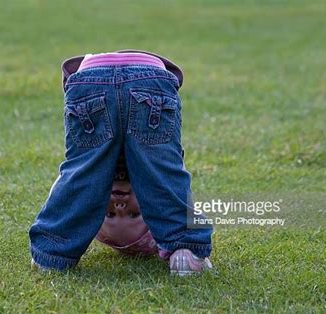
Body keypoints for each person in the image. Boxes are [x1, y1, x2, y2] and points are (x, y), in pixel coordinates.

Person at [28, 50, 213, 275]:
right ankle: (186, 250)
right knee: (158, 171)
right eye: (135, 214)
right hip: (103, 76)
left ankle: (52, 255)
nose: (120, 206)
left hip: (123, 77)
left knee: (86, 171)